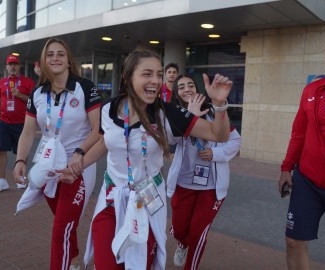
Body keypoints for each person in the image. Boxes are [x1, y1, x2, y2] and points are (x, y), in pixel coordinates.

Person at [59, 50, 232, 269]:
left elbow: (219, 135)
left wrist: (219, 106)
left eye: (159, 74)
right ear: (128, 76)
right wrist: (78, 166)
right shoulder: (108, 109)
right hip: (112, 199)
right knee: (106, 264)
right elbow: (106, 141)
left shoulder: (167, 113)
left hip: (147, 203)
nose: (156, 81)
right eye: (147, 74)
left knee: (138, 265)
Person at [13, 38, 101, 270]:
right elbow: (28, 131)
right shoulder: (37, 93)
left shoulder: (85, 87)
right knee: (62, 221)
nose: (55, 58)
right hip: (48, 166)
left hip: (77, 166)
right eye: (50, 54)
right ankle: (72, 259)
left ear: (68, 60)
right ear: (43, 61)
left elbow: (98, 129)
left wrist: (80, 154)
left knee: (62, 226)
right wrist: (20, 160)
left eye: (60, 54)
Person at [167, 74, 242, 269]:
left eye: (190, 85)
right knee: (179, 230)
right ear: (177, 93)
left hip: (211, 187)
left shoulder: (214, 114)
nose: (186, 89)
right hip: (183, 184)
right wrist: (189, 118)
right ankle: (182, 244)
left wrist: (216, 152)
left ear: (198, 89)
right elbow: (168, 141)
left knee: (198, 232)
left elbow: (235, 140)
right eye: (181, 87)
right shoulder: (174, 116)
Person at [278, 30, 325, 270]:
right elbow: (298, 133)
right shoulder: (313, 90)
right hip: (308, 181)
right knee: (293, 241)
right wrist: (286, 168)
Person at [0, 55, 35, 193]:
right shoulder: (2, 82)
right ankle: (1, 181)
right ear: (6, 67)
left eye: (15, 64)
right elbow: (0, 101)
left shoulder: (28, 82)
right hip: (4, 122)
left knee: (22, 152)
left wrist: (20, 95)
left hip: (22, 123)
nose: (12, 67)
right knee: (0, 150)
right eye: (10, 64)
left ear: (19, 66)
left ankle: (21, 178)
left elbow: (33, 102)